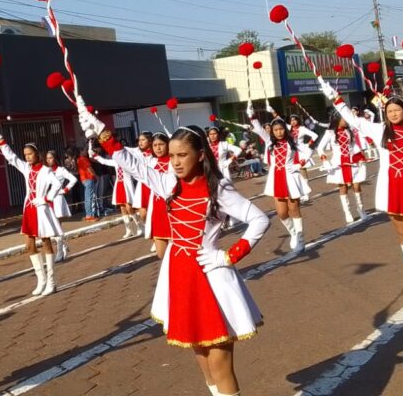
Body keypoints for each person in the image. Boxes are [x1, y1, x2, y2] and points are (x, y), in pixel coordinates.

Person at [78, 112, 269, 396]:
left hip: (210, 275)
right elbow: (133, 165)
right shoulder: (169, 183)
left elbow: (259, 219)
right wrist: (103, 133)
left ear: (201, 155)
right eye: (172, 155)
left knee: (219, 360)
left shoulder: (218, 188)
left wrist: (228, 256)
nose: (176, 162)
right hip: (179, 272)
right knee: (201, 355)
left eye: (183, 155)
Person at [319, 80, 403, 303]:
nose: (394, 113)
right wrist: (335, 97)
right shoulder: (378, 130)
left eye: (397, 109)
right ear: (385, 113)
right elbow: (352, 119)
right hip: (390, 187)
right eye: (390, 110)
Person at [0, 132, 63, 296]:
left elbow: (58, 183)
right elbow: (11, 158)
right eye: (26, 155)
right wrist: (1, 141)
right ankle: (41, 280)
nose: (28, 157)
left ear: (37, 154)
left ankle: (52, 282)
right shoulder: (25, 167)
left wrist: (46, 198)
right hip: (28, 209)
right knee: (29, 246)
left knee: (46, 243)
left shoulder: (46, 171)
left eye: (30, 154)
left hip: (41, 209)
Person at [249, 103, 312, 254]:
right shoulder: (270, 142)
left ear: (285, 129)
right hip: (276, 179)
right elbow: (257, 128)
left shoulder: (293, 142)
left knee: (294, 209)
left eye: (281, 129)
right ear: (272, 131)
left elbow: (309, 150)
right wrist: (251, 115)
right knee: (282, 213)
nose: (279, 132)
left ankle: (301, 240)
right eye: (276, 130)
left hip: (291, 178)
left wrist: (299, 165)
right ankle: (293, 233)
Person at [316, 111, 368, 224]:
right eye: (344, 119)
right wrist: (325, 161)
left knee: (357, 185)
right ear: (338, 119)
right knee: (343, 188)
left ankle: (361, 209)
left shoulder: (349, 130)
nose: (346, 121)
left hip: (351, 161)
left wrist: (359, 155)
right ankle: (347, 212)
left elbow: (353, 145)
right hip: (338, 164)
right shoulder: (329, 133)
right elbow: (320, 148)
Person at [91, 144, 140, 239]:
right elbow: (103, 161)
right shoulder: (115, 161)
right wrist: (93, 155)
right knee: (122, 208)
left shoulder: (129, 161)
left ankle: (139, 226)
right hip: (119, 184)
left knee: (129, 207)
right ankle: (129, 230)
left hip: (127, 184)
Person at [43, 151, 78, 261]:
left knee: (57, 226)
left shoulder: (61, 170)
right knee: (52, 228)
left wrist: (65, 190)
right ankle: (63, 246)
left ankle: (59, 252)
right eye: (47, 158)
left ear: (55, 158)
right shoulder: (45, 171)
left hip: (58, 199)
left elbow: (73, 179)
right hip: (48, 199)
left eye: (50, 158)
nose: (48, 160)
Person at [76, 149, 98, 220]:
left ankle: (88, 214)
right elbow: (89, 168)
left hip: (84, 179)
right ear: (81, 151)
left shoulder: (78, 159)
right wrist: (95, 175)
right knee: (90, 197)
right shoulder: (84, 158)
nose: (86, 152)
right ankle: (90, 215)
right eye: (85, 150)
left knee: (87, 197)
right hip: (88, 178)